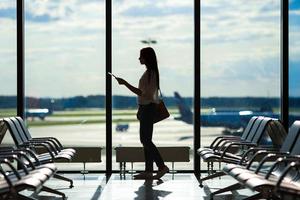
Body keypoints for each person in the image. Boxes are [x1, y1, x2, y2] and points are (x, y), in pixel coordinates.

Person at [115, 47, 169, 179]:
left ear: (147, 58)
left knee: (145, 140)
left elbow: (144, 94)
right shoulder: (149, 73)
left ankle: (161, 166)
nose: (139, 59)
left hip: (148, 109)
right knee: (146, 140)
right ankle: (149, 170)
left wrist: (125, 83)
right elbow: (146, 95)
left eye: (141, 56)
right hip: (145, 108)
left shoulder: (151, 73)